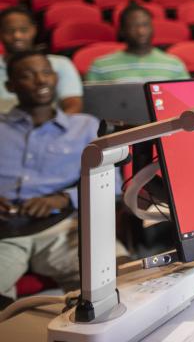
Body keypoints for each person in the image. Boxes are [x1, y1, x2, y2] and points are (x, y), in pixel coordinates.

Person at [0, 51, 104, 305]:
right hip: (6, 233)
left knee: (112, 282)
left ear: (56, 78)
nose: (40, 81)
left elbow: (112, 185)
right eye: (27, 75)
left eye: (46, 73)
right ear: (10, 86)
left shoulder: (86, 126)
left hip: (62, 227)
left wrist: (63, 199)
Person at [0, 6, 82, 114]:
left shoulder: (61, 64)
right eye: (9, 31)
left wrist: (55, 128)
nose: (17, 36)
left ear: (34, 29)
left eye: (23, 30)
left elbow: (72, 103)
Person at [85, 3, 189, 83]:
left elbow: (185, 100)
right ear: (122, 30)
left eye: (145, 25)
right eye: (133, 26)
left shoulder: (174, 64)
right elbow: (94, 106)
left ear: (152, 28)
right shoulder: (100, 66)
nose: (141, 31)